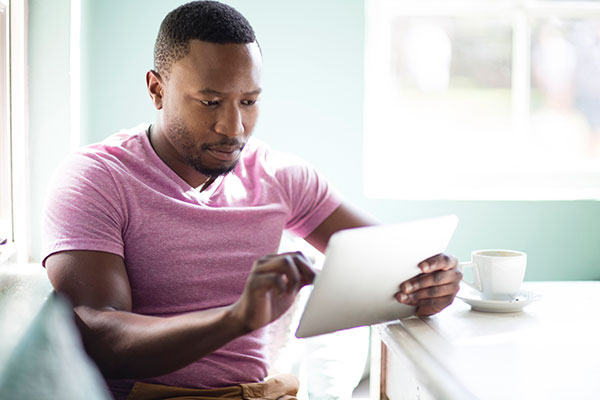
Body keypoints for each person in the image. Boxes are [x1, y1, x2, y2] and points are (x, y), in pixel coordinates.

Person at [42, 2, 462, 399]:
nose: (234, 127)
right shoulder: (96, 180)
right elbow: (97, 335)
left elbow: (397, 260)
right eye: (210, 102)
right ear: (156, 89)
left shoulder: (279, 176)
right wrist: (236, 318)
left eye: (249, 101)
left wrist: (432, 279)